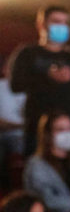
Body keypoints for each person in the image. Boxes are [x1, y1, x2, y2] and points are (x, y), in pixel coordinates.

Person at [8, 5, 70, 155]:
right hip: (39, 129)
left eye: (65, 22)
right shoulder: (28, 53)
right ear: (42, 24)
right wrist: (48, 76)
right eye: (56, 21)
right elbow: (16, 85)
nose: (62, 26)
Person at [23, 113, 70, 212]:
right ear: (48, 134)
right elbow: (46, 199)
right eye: (60, 129)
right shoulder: (36, 165)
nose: (67, 134)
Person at [0, 62, 26, 190]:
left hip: (23, 136)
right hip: (3, 135)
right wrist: (20, 125)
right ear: (4, 69)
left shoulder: (29, 88)